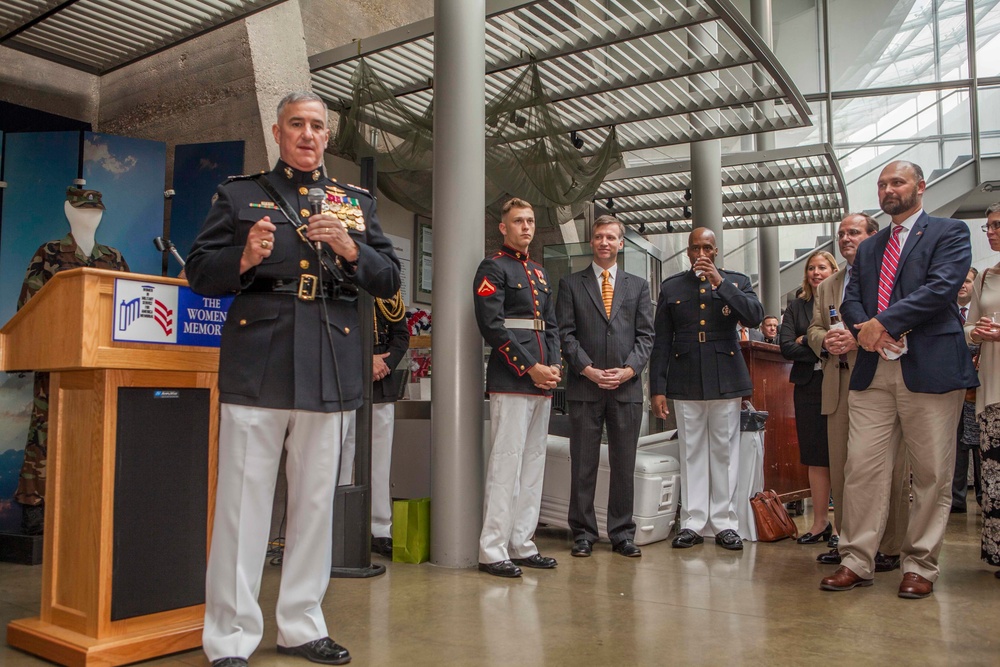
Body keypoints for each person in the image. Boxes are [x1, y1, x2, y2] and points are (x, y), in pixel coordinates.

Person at [185, 91, 400, 667]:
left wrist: (350, 247)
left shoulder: (351, 202)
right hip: (260, 354)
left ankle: (301, 626)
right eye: (296, 125)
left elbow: (388, 278)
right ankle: (230, 638)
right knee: (242, 502)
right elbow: (199, 271)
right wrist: (247, 256)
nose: (308, 135)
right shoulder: (240, 195)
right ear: (277, 133)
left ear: (328, 138)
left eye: (317, 127)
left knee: (312, 504)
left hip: (329, 358)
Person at [821, 160, 976, 599]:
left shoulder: (949, 233)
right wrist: (869, 332)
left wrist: (883, 325)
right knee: (862, 469)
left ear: (920, 187)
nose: (888, 189)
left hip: (929, 368)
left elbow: (941, 288)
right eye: (882, 184)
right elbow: (851, 300)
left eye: (898, 182)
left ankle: (920, 564)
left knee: (930, 474)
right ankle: (857, 559)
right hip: (874, 371)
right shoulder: (870, 248)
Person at [15, 186, 129, 536]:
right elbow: (29, 309)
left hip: (101, 364)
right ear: (68, 210)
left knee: (97, 433)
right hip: (58, 360)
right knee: (45, 431)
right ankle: (35, 505)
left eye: (95, 212)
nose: (89, 216)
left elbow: (128, 308)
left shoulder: (113, 257)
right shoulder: (49, 253)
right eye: (82, 210)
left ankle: (91, 501)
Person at [650, 227, 764, 551]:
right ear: (687, 252)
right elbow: (661, 341)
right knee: (692, 451)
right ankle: (693, 521)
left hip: (725, 376)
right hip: (685, 376)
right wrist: (657, 388)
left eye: (707, 248)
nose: (701, 254)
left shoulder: (736, 281)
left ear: (716, 251)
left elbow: (754, 316)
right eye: (695, 248)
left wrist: (720, 283)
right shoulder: (672, 286)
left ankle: (725, 523)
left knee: (725, 451)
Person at [807, 213, 909, 570]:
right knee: (843, 469)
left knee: (889, 468)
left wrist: (857, 338)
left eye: (854, 232)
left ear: (873, 236)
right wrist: (827, 340)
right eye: (841, 234)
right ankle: (848, 542)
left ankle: (890, 546)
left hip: (881, 378)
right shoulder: (827, 285)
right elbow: (815, 328)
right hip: (838, 384)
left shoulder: (891, 272)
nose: (846, 238)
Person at [555, 215, 654, 558]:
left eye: (611, 237)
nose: (604, 243)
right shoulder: (570, 285)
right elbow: (565, 335)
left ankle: (622, 533)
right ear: (592, 241)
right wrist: (588, 369)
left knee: (623, 464)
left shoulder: (638, 286)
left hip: (626, 390)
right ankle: (583, 533)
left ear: (621, 243)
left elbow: (646, 336)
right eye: (599, 237)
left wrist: (629, 371)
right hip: (585, 388)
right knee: (583, 462)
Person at [473, 197, 561, 578]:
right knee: (506, 464)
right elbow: (493, 326)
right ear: (503, 227)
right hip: (513, 379)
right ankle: (492, 549)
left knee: (534, 464)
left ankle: (522, 542)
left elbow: (552, 325)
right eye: (518, 221)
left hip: (544, 380)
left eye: (530, 220)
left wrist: (555, 366)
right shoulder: (493, 267)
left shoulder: (540, 273)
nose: (526, 227)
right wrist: (532, 368)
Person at [338, 290, 410, 557]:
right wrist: (364, 361)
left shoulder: (386, 290)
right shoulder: (343, 279)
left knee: (380, 460)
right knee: (342, 456)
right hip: (346, 378)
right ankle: (339, 526)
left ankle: (380, 528)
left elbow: (401, 335)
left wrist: (384, 363)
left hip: (382, 382)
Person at [779, 250, 837, 546]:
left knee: (842, 455)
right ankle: (819, 523)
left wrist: (810, 340)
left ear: (833, 270)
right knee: (815, 456)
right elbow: (786, 346)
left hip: (840, 382)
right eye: (812, 268)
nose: (816, 272)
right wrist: (823, 347)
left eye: (822, 267)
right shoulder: (796, 306)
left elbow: (846, 340)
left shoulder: (842, 299)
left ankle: (843, 527)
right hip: (808, 385)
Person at [966, 202, 1000, 580]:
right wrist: (975, 333)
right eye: (988, 226)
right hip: (992, 390)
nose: (990, 231)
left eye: (997, 225)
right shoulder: (986, 276)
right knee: (993, 477)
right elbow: (968, 326)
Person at [952, 267, 982, 513]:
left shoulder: (980, 310)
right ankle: (956, 499)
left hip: (982, 386)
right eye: (959, 281)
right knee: (957, 445)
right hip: (953, 386)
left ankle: (984, 495)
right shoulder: (945, 310)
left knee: (982, 443)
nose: (963, 285)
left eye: (968, 281)